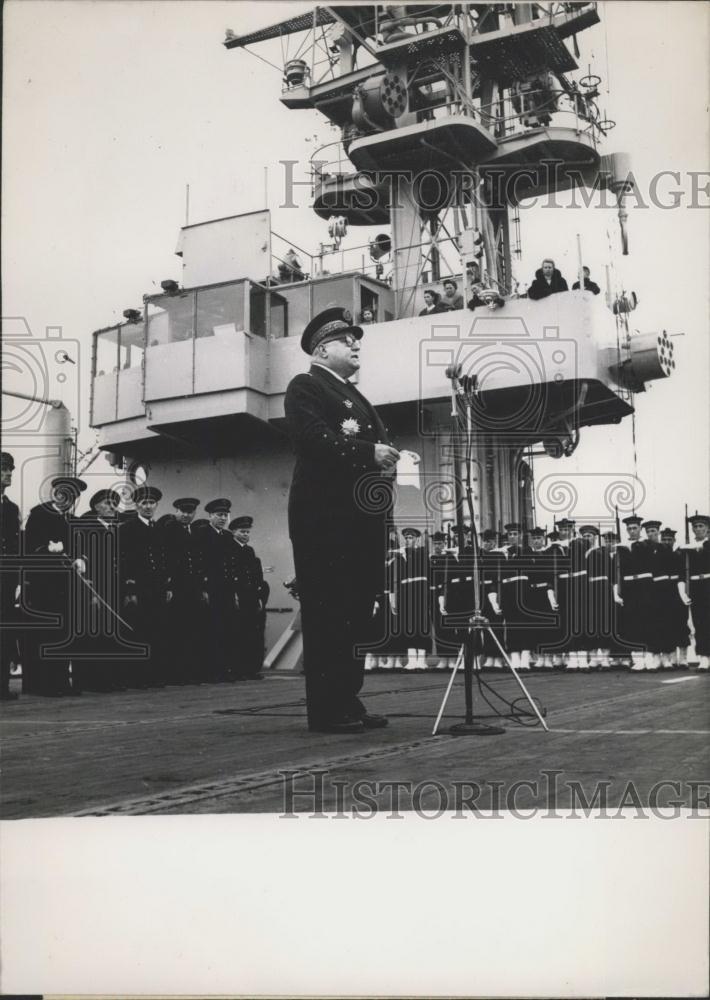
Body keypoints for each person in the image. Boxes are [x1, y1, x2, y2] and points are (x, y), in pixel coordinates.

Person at [284, 306, 399, 732]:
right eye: (346, 340)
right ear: (321, 349)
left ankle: (348, 700)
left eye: (356, 340)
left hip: (360, 524)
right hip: (326, 522)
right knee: (328, 614)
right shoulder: (306, 386)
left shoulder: (356, 396)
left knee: (356, 615)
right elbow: (312, 439)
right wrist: (370, 452)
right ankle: (327, 710)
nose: (355, 345)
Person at [24, 475, 88, 695]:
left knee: (64, 633)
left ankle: (61, 681)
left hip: (66, 585)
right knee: (46, 634)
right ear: (56, 493)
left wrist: (81, 559)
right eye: (64, 494)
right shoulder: (39, 514)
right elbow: (28, 547)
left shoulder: (72, 520)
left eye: (73, 496)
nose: (68, 499)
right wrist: (46, 550)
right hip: (44, 586)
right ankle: (43, 684)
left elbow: (79, 547)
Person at [72, 488, 128, 692]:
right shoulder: (87, 529)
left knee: (109, 635)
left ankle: (107, 679)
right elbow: (82, 563)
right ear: (96, 507)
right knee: (91, 636)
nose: (112, 507)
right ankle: (87, 680)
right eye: (107, 503)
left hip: (113, 589)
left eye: (114, 504)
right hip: (95, 591)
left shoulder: (116, 530)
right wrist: (91, 593)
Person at [119, 485, 171, 688]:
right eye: (144, 503)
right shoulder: (127, 529)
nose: (148, 506)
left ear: (156, 505)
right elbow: (124, 561)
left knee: (157, 630)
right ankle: (137, 676)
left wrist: (167, 585)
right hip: (138, 588)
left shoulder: (158, 529)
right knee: (138, 630)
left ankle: (154, 674)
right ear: (136, 505)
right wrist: (129, 589)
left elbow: (163, 559)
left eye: (152, 503)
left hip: (157, 587)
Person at [163, 498, 208, 684]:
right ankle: (176, 674)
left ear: (194, 513)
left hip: (193, 587)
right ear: (176, 511)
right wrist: (168, 586)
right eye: (183, 511)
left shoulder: (194, 532)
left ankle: (190, 672)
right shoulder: (169, 530)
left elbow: (198, 561)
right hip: (177, 587)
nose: (186, 515)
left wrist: (202, 587)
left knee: (192, 629)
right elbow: (166, 559)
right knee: (177, 630)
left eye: (190, 512)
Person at [195, 498, 240, 683]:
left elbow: (232, 565)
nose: (223, 518)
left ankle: (224, 669)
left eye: (225, 515)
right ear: (210, 516)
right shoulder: (202, 534)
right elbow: (199, 563)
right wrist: (203, 588)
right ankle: (210, 671)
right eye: (219, 515)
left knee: (226, 629)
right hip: (211, 589)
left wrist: (234, 591)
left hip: (226, 590)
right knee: (211, 630)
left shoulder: (228, 537)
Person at [229, 515, 270, 679]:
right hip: (238, 597)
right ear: (233, 532)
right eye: (242, 531)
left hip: (251, 597)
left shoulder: (249, 551)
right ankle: (238, 669)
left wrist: (260, 597)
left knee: (252, 634)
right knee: (239, 633)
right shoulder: (229, 550)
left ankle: (251, 669)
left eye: (247, 532)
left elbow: (257, 578)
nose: (245, 534)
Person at [615, 514, 656, 670]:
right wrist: (618, 591)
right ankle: (638, 660)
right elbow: (617, 571)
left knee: (648, 622)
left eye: (635, 528)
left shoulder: (648, 545)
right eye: (629, 529)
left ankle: (649, 659)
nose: (632, 531)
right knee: (632, 623)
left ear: (640, 529)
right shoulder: (621, 548)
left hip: (645, 586)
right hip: (629, 588)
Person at [1, 452, 21, 699]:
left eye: (9, 469)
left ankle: (2, 686)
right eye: (3, 469)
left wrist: (17, 580)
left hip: (5, 581)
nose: (8, 474)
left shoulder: (11, 508)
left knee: (4, 632)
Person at [398, 527, 432, 670]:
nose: (408, 540)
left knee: (422, 626)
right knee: (409, 626)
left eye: (411, 538)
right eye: (406, 538)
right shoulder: (402, 554)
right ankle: (412, 660)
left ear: (416, 539)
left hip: (420, 593)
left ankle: (421, 660)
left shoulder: (422, 553)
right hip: (407, 594)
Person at [680, 514, 710, 671]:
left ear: (707, 528)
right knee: (700, 622)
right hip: (696, 588)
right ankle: (704, 658)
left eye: (701, 526)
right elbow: (682, 572)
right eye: (695, 526)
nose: (698, 529)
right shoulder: (686, 549)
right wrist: (683, 592)